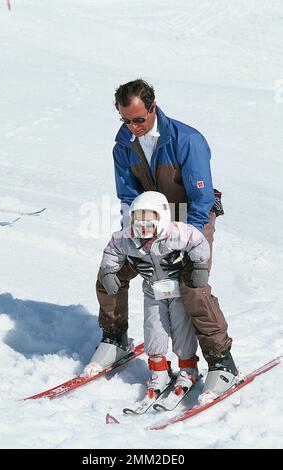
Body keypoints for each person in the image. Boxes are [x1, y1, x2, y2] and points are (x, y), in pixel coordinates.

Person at [90, 78, 238, 396]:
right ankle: (115, 339)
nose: (133, 126)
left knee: (191, 287)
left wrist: (186, 247)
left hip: (192, 217)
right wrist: (133, 245)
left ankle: (222, 361)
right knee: (111, 271)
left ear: (153, 107)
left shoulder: (187, 140)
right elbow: (129, 199)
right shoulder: (123, 146)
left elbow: (200, 202)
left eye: (139, 119)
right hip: (148, 221)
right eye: (126, 120)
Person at [85, 192, 215, 398]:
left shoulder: (177, 233)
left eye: (149, 219)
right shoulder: (128, 237)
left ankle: (188, 368)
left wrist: (200, 265)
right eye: (138, 220)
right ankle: (158, 370)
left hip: (177, 291)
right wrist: (108, 271)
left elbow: (198, 241)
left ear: (162, 217)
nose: (142, 227)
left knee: (181, 329)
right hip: (153, 292)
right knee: (154, 328)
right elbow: (112, 249)